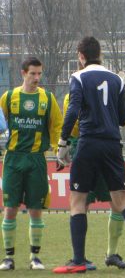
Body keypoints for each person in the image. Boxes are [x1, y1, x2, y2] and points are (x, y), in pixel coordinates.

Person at [53, 37, 125, 274]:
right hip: (112, 145)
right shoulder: (116, 80)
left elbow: (72, 109)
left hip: (89, 143)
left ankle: (79, 259)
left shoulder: (78, 77)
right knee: (122, 201)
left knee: (78, 201)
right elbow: (123, 119)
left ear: (81, 55)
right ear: (99, 54)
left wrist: (62, 141)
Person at [0, 57, 59, 271]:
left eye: (39, 74)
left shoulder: (48, 99)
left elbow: (56, 127)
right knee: (10, 208)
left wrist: (58, 149)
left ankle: (35, 257)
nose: (36, 78)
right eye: (32, 73)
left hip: (36, 159)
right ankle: (8, 258)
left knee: (35, 209)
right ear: (23, 73)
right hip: (13, 158)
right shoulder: (9, 98)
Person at [62, 93, 125, 270]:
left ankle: (111, 254)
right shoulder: (72, 95)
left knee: (117, 202)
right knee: (81, 202)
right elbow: (72, 127)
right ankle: (79, 257)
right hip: (84, 148)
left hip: (107, 148)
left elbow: (122, 119)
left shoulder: (110, 92)